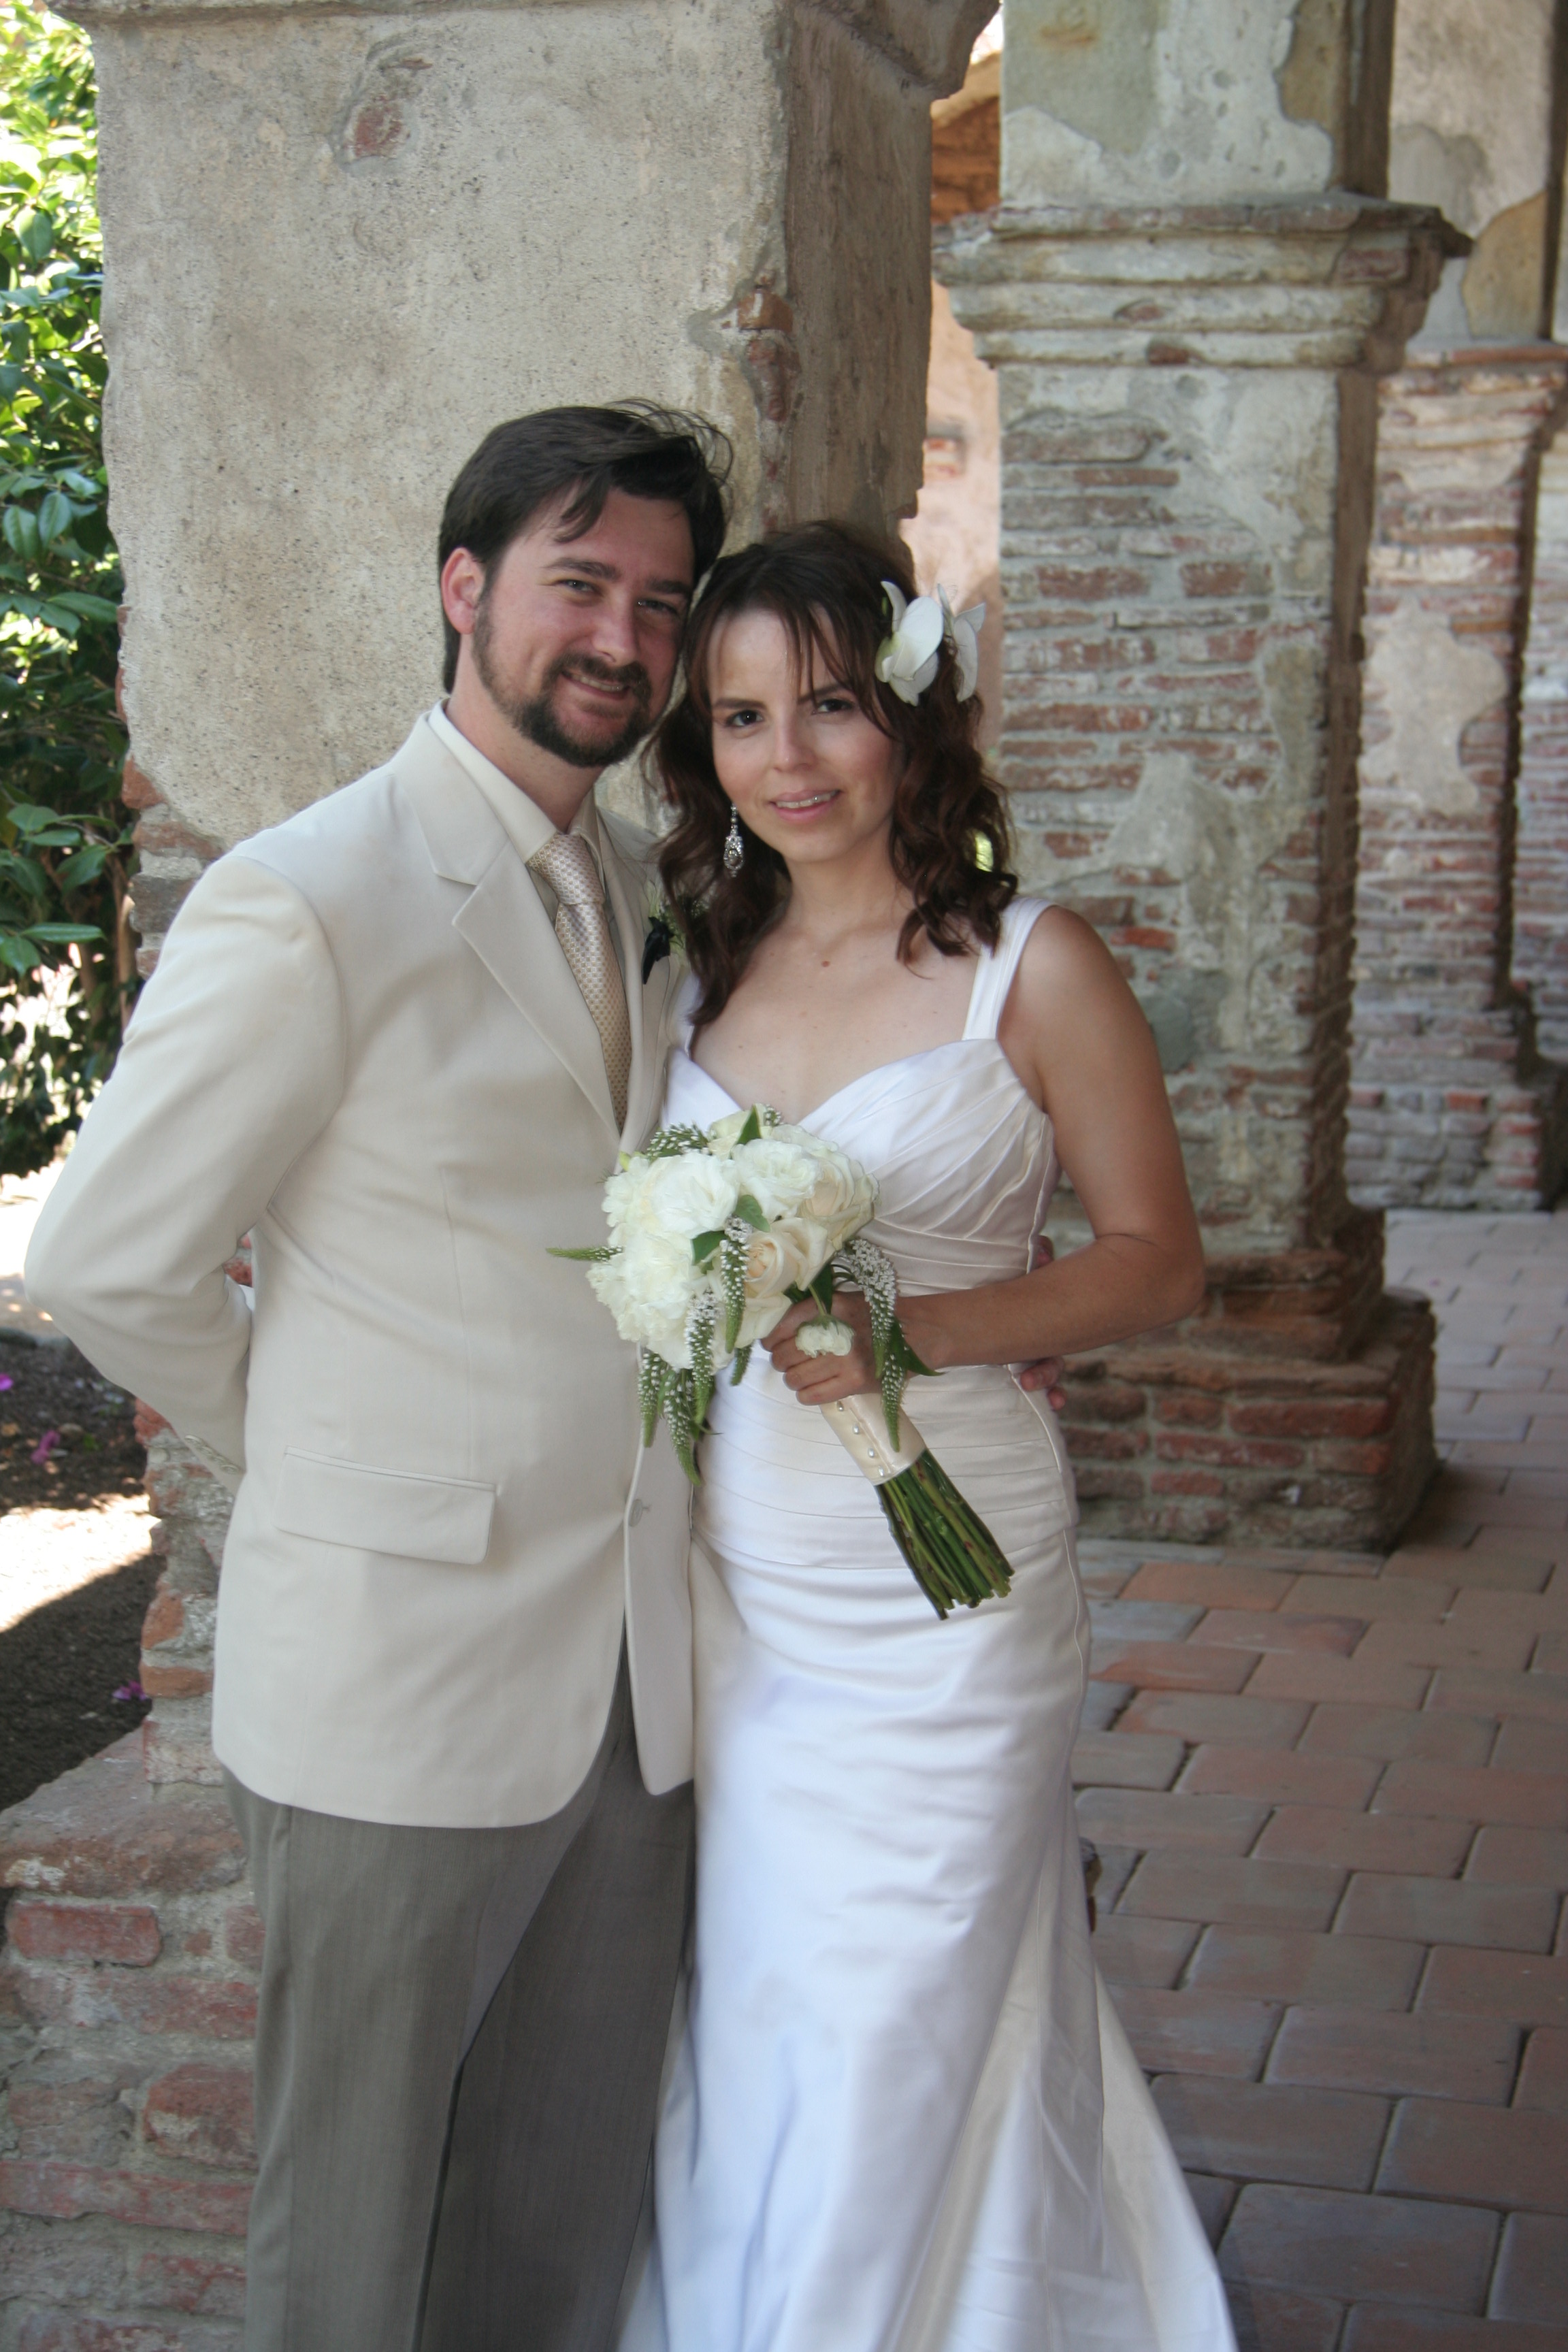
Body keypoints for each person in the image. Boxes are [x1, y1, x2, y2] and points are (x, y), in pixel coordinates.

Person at [25, 404, 733, 2352]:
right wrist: (319, 1449)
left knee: (554, 2221)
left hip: (632, 1684)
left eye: (662, 605)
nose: (623, 639)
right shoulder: (311, 891)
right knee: (353, 2246)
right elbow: (107, 1254)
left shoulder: (644, 889)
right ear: (464, 587)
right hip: (398, 1684)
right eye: (581, 584)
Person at [616, 523, 1235, 2352]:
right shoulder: (687, 969)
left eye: (828, 704)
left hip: (951, 1580)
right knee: (772, 1996)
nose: (787, 759)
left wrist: (919, 1332)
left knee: (910, 1989)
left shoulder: (1030, 967)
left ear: (911, 710)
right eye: (741, 718)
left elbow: (1159, 1262)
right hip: (744, 1568)